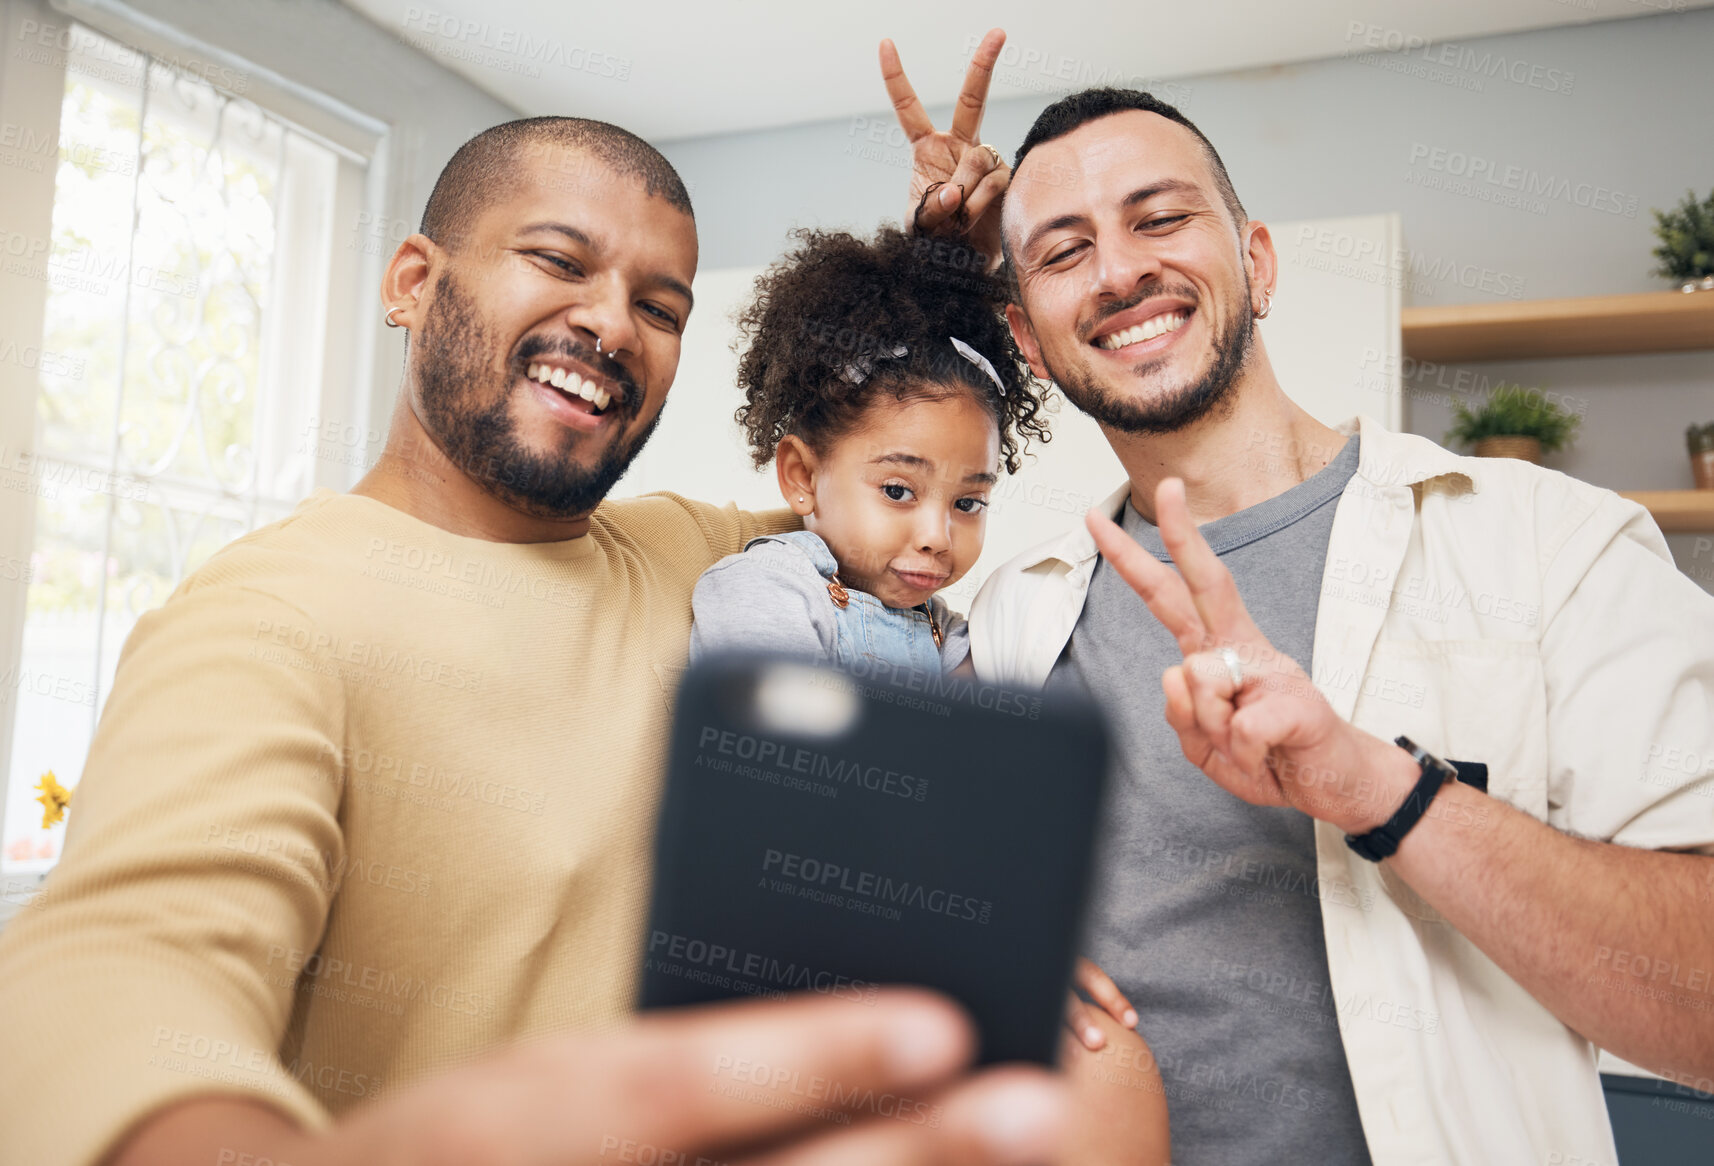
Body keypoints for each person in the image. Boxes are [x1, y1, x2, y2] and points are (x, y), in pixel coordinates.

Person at [877, 44, 1714, 1166]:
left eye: (1159, 219)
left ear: (1257, 262)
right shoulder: (1014, 617)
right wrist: (927, 275)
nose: (1117, 272)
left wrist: (1374, 785)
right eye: (1064, 251)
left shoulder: (1550, 544)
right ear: (1026, 336)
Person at [688, 225, 1045, 676]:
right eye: (897, 491)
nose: (938, 537)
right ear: (803, 475)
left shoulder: (944, 632)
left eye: (968, 502)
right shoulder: (764, 590)